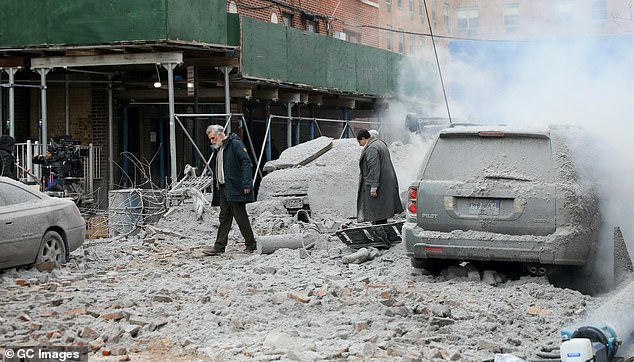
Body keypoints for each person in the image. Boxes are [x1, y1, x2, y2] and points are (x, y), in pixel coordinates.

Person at [202, 124, 257, 255]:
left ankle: (250, 244)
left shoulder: (235, 145)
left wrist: (246, 184)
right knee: (224, 217)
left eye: (213, 138)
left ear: (220, 135)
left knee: (240, 215)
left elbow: (246, 163)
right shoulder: (220, 148)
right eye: (210, 139)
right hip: (224, 187)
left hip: (234, 186)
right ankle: (219, 246)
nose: (212, 141)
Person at [356, 129, 403, 225]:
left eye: (359, 141)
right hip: (386, 180)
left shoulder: (372, 149)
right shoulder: (380, 143)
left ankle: (378, 230)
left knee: (376, 209)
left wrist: (373, 187)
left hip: (380, 181)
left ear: (364, 138)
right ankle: (381, 228)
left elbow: (374, 168)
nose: (360, 144)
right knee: (382, 210)